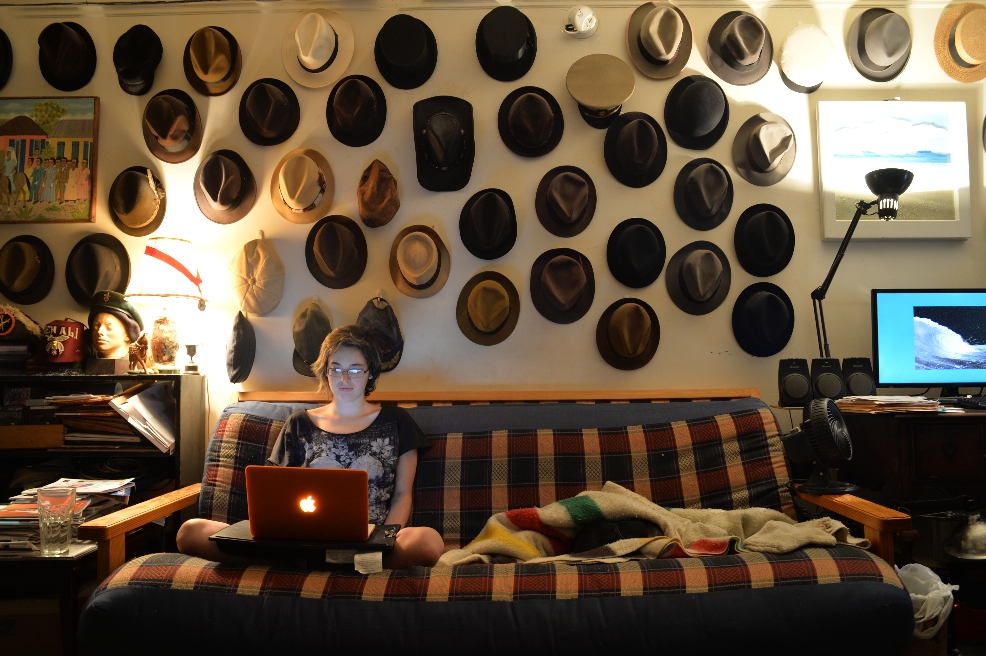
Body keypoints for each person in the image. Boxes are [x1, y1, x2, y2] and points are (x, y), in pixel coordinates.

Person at [177, 325, 444, 569]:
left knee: (428, 542)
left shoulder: (396, 421)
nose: (344, 378)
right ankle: (311, 560)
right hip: (301, 541)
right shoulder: (299, 423)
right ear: (326, 371)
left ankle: (334, 562)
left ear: (370, 373)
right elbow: (276, 496)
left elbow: (402, 495)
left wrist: (384, 540)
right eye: (336, 369)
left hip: (369, 545)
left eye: (354, 370)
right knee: (190, 532)